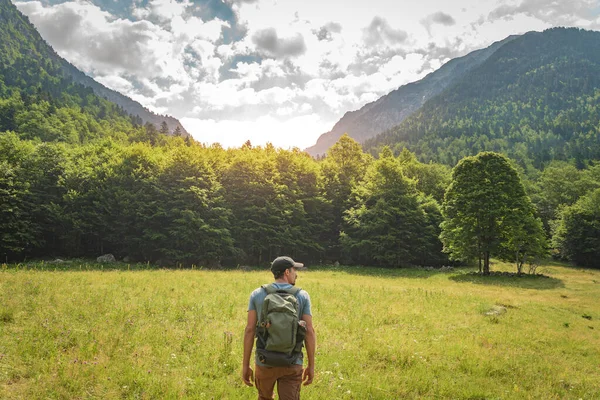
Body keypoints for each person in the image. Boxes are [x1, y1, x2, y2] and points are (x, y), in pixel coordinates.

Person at [242, 256, 316, 399]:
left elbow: (250, 330)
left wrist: (245, 365)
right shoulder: (302, 296)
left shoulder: (257, 294)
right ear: (287, 272)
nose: (297, 274)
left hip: (264, 362)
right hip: (292, 362)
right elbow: (309, 332)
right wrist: (311, 366)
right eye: (294, 270)